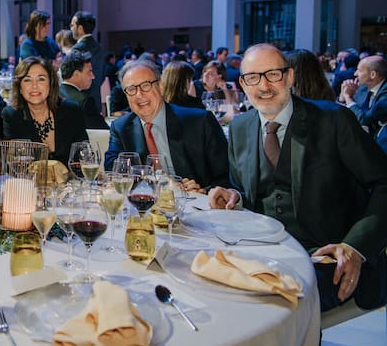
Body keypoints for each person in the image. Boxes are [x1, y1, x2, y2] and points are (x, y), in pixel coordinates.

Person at [208, 44, 387, 312]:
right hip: (261, 252)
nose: (264, 86)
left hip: (324, 257)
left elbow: (383, 183)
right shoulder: (240, 127)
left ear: (290, 77)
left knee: (267, 306)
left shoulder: (334, 120)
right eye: (254, 77)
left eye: (273, 75)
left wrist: (354, 247)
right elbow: (252, 192)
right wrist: (236, 197)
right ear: (243, 84)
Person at [104, 60, 229, 192]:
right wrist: (153, 180)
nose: (139, 94)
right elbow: (112, 168)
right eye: (131, 89)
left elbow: (226, 177)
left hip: (194, 204)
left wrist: (205, 191)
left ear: (161, 87)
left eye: (146, 85)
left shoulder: (200, 122)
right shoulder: (121, 127)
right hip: (145, 204)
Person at [2, 56, 88, 166]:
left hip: (69, 181)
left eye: (41, 79)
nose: (34, 86)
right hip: (30, 182)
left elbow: (84, 157)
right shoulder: (11, 115)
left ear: (51, 83)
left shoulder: (72, 111)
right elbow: (13, 163)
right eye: (27, 80)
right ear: (19, 87)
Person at [59, 50, 108, 130]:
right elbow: (103, 131)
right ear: (76, 74)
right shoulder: (85, 101)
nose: (93, 76)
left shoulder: (52, 93)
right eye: (89, 72)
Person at [339, 55, 387, 137]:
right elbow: (354, 108)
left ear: (373, 74)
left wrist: (348, 97)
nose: (355, 74)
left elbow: (364, 120)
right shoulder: (363, 87)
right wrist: (342, 97)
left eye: (359, 70)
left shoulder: (385, 94)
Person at [70, 11, 105, 112]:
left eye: (72, 25)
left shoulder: (77, 49)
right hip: (95, 101)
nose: (71, 28)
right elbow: (102, 75)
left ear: (80, 28)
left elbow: (71, 77)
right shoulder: (99, 47)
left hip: (80, 103)